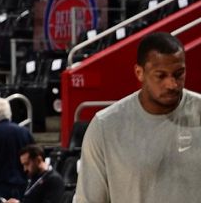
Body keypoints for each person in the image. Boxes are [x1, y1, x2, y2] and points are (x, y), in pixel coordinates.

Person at [75, 32, 201, 202]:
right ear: (139, 72)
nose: (172, 84)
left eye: (179, 74)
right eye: (161, 76)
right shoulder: (105, 127)